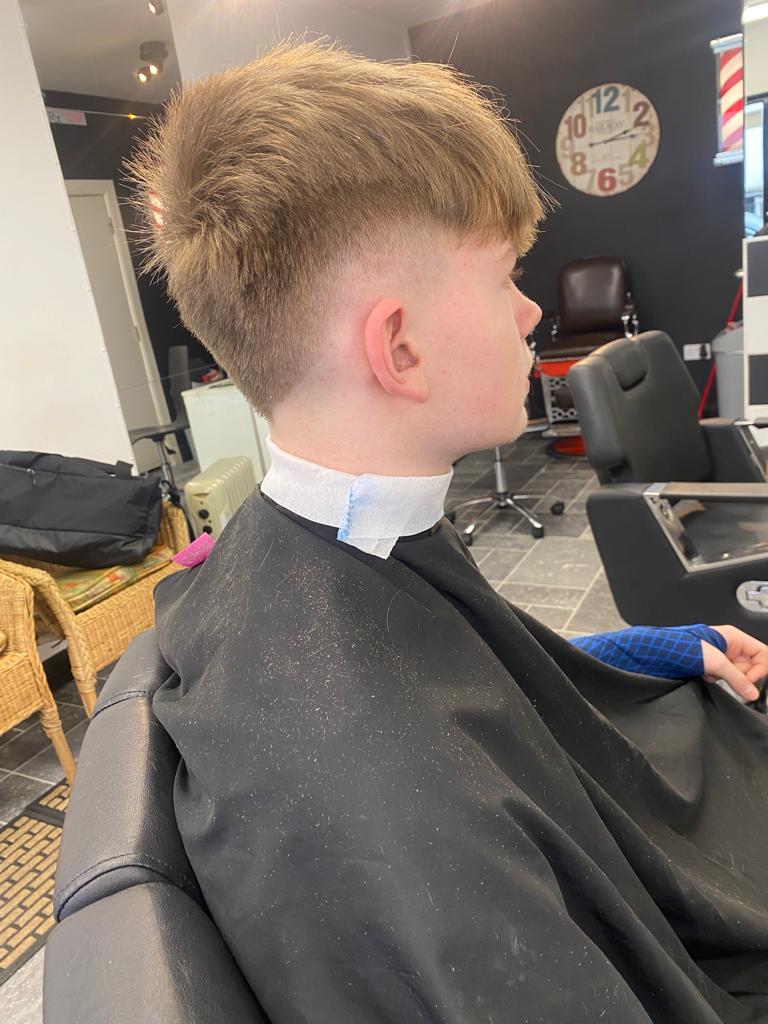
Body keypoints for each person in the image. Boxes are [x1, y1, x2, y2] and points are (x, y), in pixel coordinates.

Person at [126, 39, 768, 1023]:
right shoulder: (398, 808)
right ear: (401, 346)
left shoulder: (308, 544)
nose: (527, 311)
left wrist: (663, 648)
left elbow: (474, 677)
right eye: (507, 273)